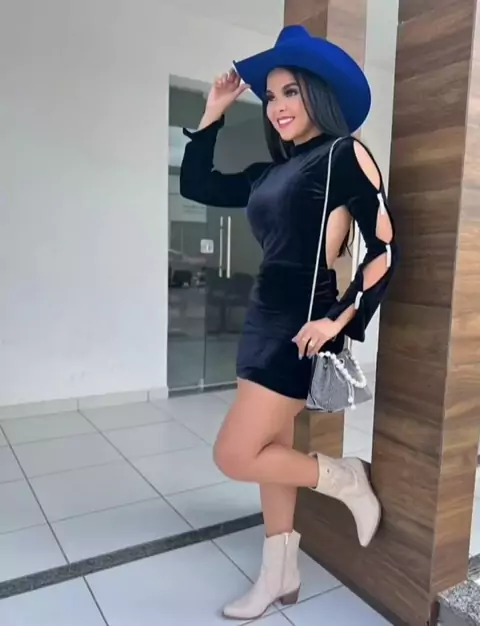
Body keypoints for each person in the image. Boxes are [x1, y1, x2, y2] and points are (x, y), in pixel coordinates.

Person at [180, 25, 398, 621]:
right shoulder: (269, 173)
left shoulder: (342, 155)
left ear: (318, 95)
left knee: (233, 454)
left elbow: (383, 250)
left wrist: (337, 322)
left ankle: (344, 478)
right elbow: (197, 184)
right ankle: (280, 575)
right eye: (271, 95)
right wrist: (214, 111)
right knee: (267, 449)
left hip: (299, 328)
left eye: (290, 92)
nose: (276, 106)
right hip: (262, 317)